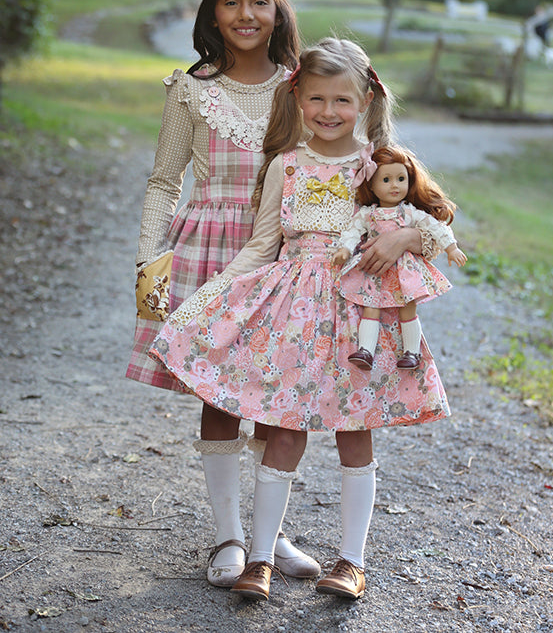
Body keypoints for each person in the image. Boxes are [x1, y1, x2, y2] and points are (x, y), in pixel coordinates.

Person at [149, 38, 450, 602]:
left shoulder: (379, 165)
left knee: (355, 434)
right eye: (317, 99)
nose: (329, 112)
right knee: (283, 431)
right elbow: (262, 245)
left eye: (342, 100)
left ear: (364, 100)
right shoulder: (285, 164)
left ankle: (352, 562)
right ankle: (259, 558)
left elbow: (438, 228)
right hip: (293, 318)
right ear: (298, 98)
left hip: (363, 316)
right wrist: (210, 299)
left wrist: (407, 235)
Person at [126, 0, 320, 587]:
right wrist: (148, 257)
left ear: (277, 9)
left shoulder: (299, 86)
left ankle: (272, 533)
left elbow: (339, 160)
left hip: (283, 258)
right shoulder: (192, 88)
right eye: (231, 2)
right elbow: (163, 179)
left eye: (259, 1)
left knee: (275, 395)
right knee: (218, 396)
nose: (246, 14)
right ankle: (228, 538)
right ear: (213, 10)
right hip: (209, 252)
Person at [332, 144, 467, 371]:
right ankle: (366, 350)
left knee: (408, 308)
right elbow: (353, 231)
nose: (394, 185)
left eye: (400, 179)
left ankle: (412, 352)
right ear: (372, 185)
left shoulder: (409, 212)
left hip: (404, 270)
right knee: (370, 306)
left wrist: (451, 247)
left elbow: (435, 227)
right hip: (375, 268)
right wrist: (345, 249)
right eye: (386, 180)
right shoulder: (368, 213)